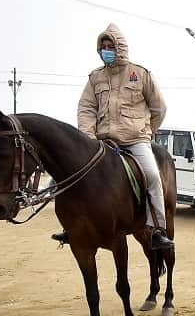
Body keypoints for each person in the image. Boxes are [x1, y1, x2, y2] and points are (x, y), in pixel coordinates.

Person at [51, 23, 172, 249]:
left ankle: (156, 229)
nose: (106, 50)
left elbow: (159, 108)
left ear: (120, 48)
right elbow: (86, 108)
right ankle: (72, 227)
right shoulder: (95, 78)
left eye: (110, 46)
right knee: (74, 172)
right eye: (103, 46)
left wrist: (146, 131)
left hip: (135, 141)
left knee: (153, 176)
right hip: (102, 141)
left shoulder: (140, 74)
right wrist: (88, 136)